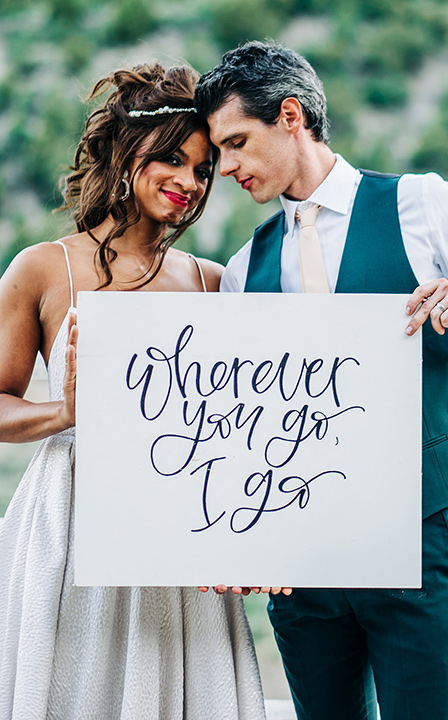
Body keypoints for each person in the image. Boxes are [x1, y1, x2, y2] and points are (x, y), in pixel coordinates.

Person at [194, 41, 448, 720]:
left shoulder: (422, 206)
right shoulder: (244, 267)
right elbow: (242, 427)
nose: (225, 167)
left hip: (415, 539)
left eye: (236, 142)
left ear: (290, 116)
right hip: (302, 569)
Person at [0, 62, 266, 720]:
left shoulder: (213, 282)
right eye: (172, 158)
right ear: (126, 151)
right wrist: (64, 411)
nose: (188, 181)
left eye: (203, 169)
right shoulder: (44, 267)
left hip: (178, 518)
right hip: (70, 519)